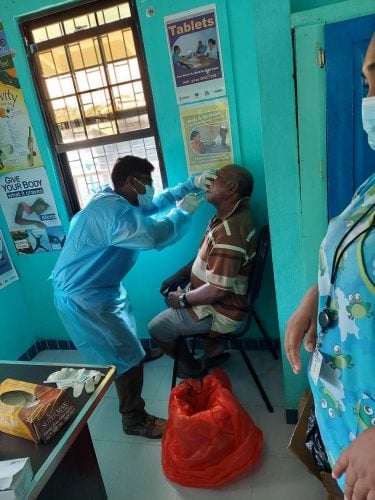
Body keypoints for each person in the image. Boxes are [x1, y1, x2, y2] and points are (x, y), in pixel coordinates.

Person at [52, 155, 216, 439]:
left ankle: (133, 354)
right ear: (131, 181)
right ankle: (134, 419)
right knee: (126, 357)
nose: (150, 188)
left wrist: (190, 186)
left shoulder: (116, 199)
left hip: (101, 288)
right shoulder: (111, 213)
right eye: (147, 183)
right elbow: (152, 237)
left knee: (126, 334)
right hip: (84, 296)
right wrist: (183, 213)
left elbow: (153, 205)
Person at [284, 34, 375, 499]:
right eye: (365, 82)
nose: (368, 98)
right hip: (344, 415)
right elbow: (342, 258)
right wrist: (310, 303)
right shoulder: (369, 190)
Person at [148, 164, 256, 377]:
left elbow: (218, 290)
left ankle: (193, 367)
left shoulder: (230, 231)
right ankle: (213, 350)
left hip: (220, 308)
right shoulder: (223, 219)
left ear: (231, 187)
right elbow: (202, 258)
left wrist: (182, 300)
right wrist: (179, 274)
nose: (207, 180)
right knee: (169, 294)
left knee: (156, 328)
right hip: (215, 298)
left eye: (216, 176)